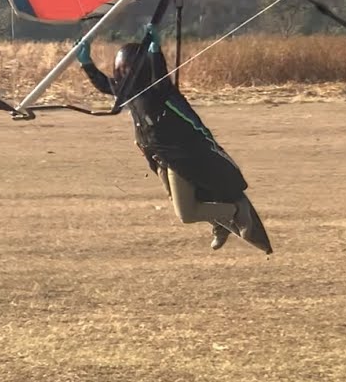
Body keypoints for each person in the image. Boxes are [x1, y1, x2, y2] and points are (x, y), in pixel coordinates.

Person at [75, 25, 271, 254]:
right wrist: (85, 62)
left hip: (180, 157)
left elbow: (160, 75)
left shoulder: (160, 90)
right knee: (188, 199)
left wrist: (155, 52)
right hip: (158, 157)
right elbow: (102, 83)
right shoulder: (127, 91)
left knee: (186, 214)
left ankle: (234, 213)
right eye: (121, 70)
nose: (123, 73)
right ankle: (220, 222)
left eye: (128, 68)